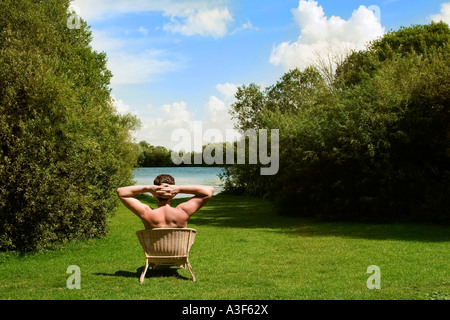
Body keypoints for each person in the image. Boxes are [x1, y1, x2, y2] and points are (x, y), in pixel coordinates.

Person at [116, 174, 214, 229]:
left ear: (155, 192)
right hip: (178, 257)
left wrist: (149, 188)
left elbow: (121, 192)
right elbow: (209, 191)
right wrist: (179, 189)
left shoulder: (147, 213)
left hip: (155, 258)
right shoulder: (183, 212)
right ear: (173, 193)